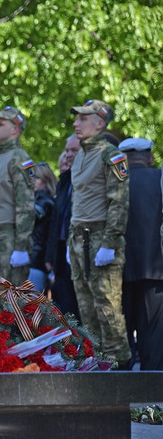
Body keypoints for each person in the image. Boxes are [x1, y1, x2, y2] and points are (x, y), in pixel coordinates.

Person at [68, 99, 131, 367]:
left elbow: (119, 202)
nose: (76, 123)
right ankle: (96, 365)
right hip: (79, 238)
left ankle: (121, 367)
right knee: (87, 312)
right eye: (76, 118)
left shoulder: (111, 154)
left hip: (100, 238)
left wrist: (109, 242)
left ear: (100, 123)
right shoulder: (81, 154)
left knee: (107, 310)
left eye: (83, 118)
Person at [0, 106, 35, 303]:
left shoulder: (20, 158)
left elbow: (25, 205)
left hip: (8, 238)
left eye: (0, 124)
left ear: (15, 129)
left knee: (12, 305)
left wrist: (20, 246)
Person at [120, 138, 163, 370]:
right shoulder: (159, 179)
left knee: (121, 339)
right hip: (156, 268)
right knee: (153, 342)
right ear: (150, 157)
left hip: (120, 270)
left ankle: (120, 398)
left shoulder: (114, 180)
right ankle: (152, 400)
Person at [45, 135, 81, 318]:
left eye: (73, 150)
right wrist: (50, 256)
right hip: (60, 253)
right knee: (66, 309)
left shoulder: (82, 180)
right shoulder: (64, 182)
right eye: (67, 150)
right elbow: (56, 222)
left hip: (77, 249)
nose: (68, 155)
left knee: (80, 308)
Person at [29, 163, 57, 293]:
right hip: (34, 259)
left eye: (37, 177)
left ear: (46, 180)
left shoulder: (45, 202)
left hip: (37, 259)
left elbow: (29, 219)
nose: (32, 180)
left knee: (31, 306)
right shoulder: (38, 199)